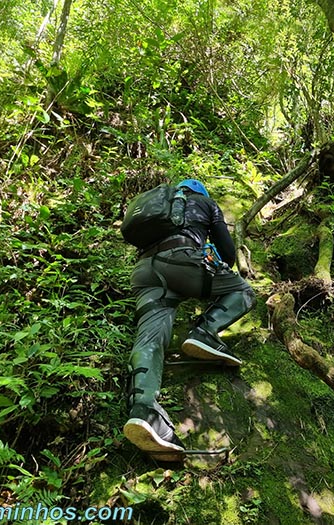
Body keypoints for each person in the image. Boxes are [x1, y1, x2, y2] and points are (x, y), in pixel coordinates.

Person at [122, 179, 256, 460]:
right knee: (243, 291)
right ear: (201, 193)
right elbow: (229, 253)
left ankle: (144, 409)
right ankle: (205, 332)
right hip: (183, 261)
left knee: (150, 337)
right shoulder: (206, 203)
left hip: (145, 271)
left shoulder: (161, 209)